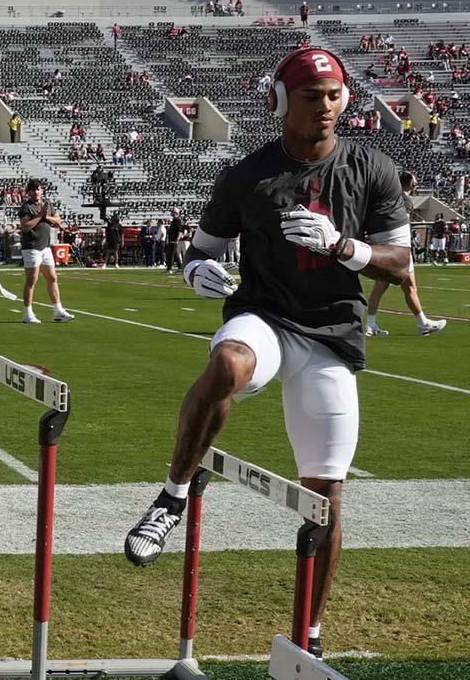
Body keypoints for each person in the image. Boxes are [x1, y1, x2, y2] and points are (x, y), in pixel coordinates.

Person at [123, 48, 414, 659]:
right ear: (280, 103)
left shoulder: (373, 168)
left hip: (332, 335)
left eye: (335, 96)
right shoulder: (247, 175)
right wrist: (198, 270)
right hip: (267, 320)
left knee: (326, 496)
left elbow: (398, 262)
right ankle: (172, 496)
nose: (328, 108)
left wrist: (343, 247)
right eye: (313, 97)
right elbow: (198, 251)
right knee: (227, 363)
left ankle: (308, 635)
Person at [364, 173, 447, 337]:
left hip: (384, 244)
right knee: (408, 287)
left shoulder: (389, 196)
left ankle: (371, 324)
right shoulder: (405, 200)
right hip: (398, 248)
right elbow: (402, 223)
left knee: (383, 286)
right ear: (412, 183)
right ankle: (422, 324)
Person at [17, 180, 73, 324]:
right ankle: (27, 313)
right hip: (31, 247)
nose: (36, 192)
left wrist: (45, 216)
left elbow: (57, 220)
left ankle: (58, 311)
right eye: (33, 190)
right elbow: (25, 226)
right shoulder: (26, 207)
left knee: (52, 278)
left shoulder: (47, 205)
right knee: (32, 279)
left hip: (45, 247)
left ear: (42, 191)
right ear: (28, 192)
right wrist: (39, 216)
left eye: (38, 189)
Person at [164, 208, 186, 274]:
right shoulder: (174, 220)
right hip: (172, 239)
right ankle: (180, 267)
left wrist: (177, 239)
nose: (171, 213)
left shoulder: (177, 220)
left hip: (174, 240)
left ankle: (169, 269)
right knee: (175, 254)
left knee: (171, 254)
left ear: (175, 212)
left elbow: (180, 231)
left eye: (172, 212)